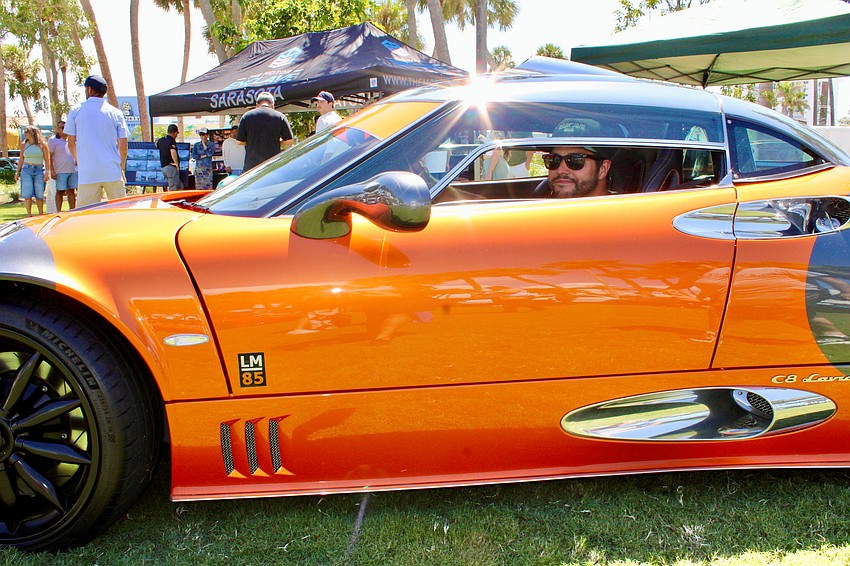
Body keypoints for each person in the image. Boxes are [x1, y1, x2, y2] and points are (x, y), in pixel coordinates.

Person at [64, 75, 129, 207]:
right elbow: (123, 145)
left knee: (85, 215)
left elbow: (71, 143)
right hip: (111, 170)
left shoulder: (76, 111)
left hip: (88, 171)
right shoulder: (116, 113)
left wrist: (80, 161)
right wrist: (120, 166)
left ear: (89, 89)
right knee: (121, 212)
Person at [235, 91, 294, 171]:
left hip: (252, 165)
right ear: (272, 105)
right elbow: (290, 141)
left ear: (257, 105)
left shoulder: (246, 116)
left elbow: (239, 141)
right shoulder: (280, 117)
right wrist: (277, 142)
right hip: (272, 163)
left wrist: (252, 142)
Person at [541, 146, 611, 198]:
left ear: (603, 169)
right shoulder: (540, 209)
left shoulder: (618, 214)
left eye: (575, 160)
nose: (561, 171)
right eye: (553, 160)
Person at [14, 126, 51, 217]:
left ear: (33, 133)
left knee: (39, 193)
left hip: (38, 169)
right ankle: (29, 214)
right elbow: (21, 159)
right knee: (27, 193)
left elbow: (47, 159)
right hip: (26, 169)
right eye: (25, 132)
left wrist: (47, 172)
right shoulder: (24, 145)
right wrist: (17, 172)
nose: (25, 134)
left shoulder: (42, 145)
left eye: (27, 132)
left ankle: (40, 213)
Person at [48, 120, 77, 211]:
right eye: (62, 128)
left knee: (71, 191)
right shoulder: (53, 140)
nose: (64, 130)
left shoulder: (72, 139)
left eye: (66, 127)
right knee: (60, 191)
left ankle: (72, 210)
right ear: (58, 129)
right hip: (60, 171)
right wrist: (52, 170)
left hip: (73, 170)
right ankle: (59, 211)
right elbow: (49, 156)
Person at [156, 124, 183, 191]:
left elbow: (156, 143)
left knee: (180, 186)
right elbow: (173, 151)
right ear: (175, 133)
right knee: (173, 187)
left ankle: (179, 199)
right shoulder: (171, 141)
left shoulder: (162, 140)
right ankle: (172, 200)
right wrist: (176, 163)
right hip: (170, 166)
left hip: (164, 167)